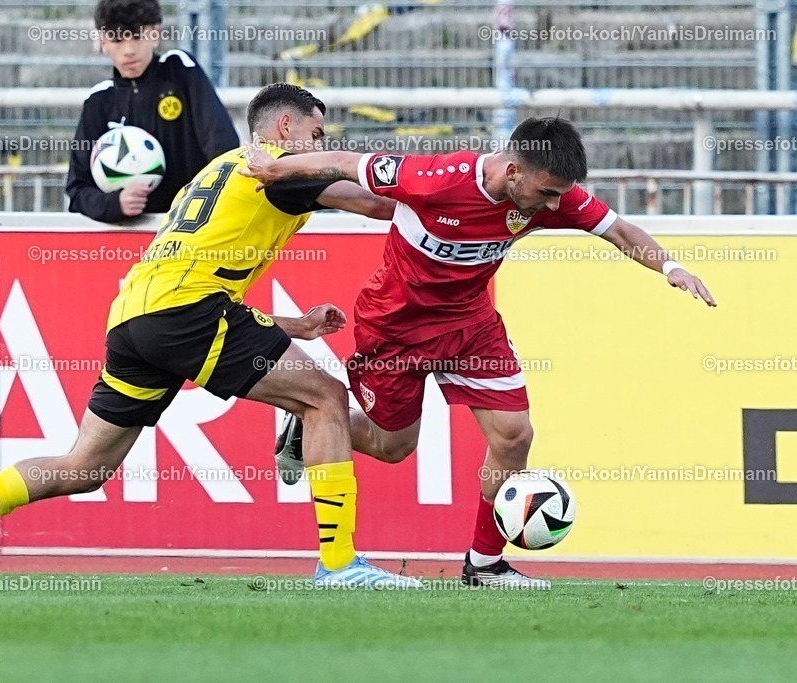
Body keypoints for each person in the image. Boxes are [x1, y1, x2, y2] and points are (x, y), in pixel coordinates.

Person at [0, 83, 420, 589]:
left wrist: (295, 326)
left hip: (136, 319)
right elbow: (379, 204)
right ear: (284, 128)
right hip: (186, 314)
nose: (322, 146)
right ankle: (339, 563)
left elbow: (200, 283)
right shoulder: (279, 166)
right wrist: (460, 197)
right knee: (324, 396)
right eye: (317, 134)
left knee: (82, 467)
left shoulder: (219, 170)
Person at [242, 116, 716, 589]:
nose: (555, 205)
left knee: (514, 436)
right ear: (513, 172)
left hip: (471, 327)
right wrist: (277, 169)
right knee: (393, 447)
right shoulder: (434, 179)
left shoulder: (551, 195)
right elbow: (345, 162)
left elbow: (620, 231)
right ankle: (309, 433)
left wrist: (670, 267)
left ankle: (485, 564)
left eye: (559, 195)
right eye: (547, 193)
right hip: (394, 330)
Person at [66, 0, 239, 223]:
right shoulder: (98, 101)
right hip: (126, 239)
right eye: (117, 40)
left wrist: (206, 206)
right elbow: (77, 190)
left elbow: (222, 146)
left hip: (190, 227)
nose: (128, 50)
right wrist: (114, 203)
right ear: (102, 41)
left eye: (138, 37)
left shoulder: (180, 70)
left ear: (155, 35)